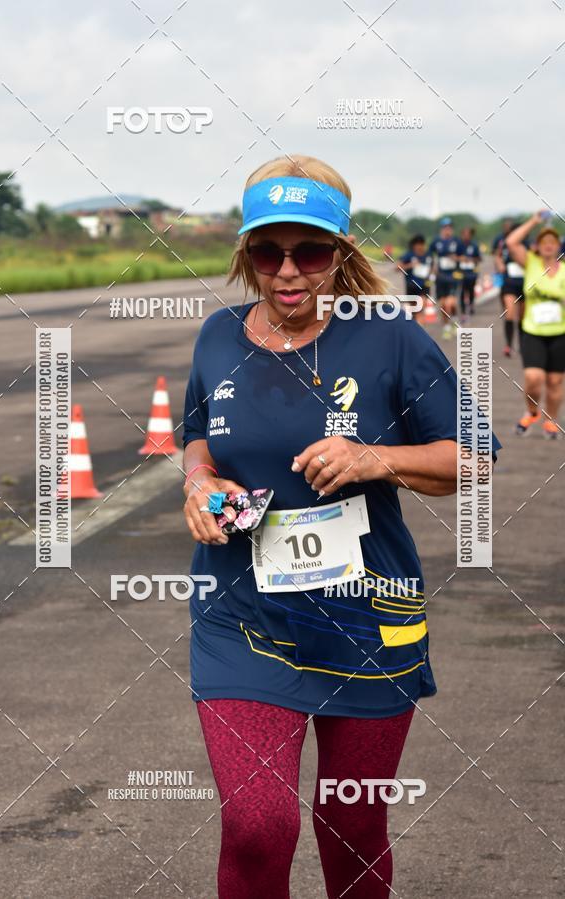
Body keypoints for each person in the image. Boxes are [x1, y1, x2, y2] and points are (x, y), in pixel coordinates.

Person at [182, 154, 501, 899]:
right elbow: (197, 434)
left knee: (348, 825)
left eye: (311, 252)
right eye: (268, 251)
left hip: (367, 616)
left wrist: (373, 459)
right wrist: (199, 480)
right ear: (246, 254)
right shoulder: (219, 336)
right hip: (242, 615)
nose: (287, 271)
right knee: (259, 825)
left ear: (341, 253)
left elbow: (478, 459)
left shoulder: (388, 335)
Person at [507, 211, 565, 439]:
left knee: (555, 380)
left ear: (558, 246)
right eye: (544, 242)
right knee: (533, 378)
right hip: (532, 331)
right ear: (538, 246)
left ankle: (550, 420)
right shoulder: (530, 263)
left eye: (553, 242)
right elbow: (511, 242)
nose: (549, 246)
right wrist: (533, 221)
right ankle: (532, 412)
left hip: (559, 332)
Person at [428, 216, 462, 339]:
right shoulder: (436, 242)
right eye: (445, 227)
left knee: (450, 303)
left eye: (449, 227)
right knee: (442, 304)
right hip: (440, 277)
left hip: (453, 276)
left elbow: (464, 257)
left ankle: (454, 319)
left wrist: (456, 258)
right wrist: (432, 270)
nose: (447, 230)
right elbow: (430, 257)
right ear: (442, 229)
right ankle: (447, 327)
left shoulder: (456, 242)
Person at [495, 222, 526, 357]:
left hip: (526, 285)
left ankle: (523, 344)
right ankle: (508, 345)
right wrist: (500, 264)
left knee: (523, 317)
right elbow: (497, 256)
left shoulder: (528, 244)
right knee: (510, 313)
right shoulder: (504, 244)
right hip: (509, 283)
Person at [396, 234, 433, 324]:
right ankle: (415, 327)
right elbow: (397, 268)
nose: (420, 247)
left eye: (422, 244)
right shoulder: (408, 255)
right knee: (414, 312)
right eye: (418, 244)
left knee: (420, 308)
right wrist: (410, 265)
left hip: (424, 286)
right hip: (411, 286)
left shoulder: (428, 255)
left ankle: (420, 330)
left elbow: (432, 268)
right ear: (414, 245)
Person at [458, 226, 481, 321]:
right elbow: (453, 256)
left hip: (471, 272)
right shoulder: (458, 245)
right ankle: (463, 311)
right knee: (462, 291)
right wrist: (460, 258)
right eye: (465, 234)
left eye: (468, 234)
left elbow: (479, 258)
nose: (466, 236)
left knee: (471, 290)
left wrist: (471, 259)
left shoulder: (474, 246)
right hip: (461, 272)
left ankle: (471, 305)